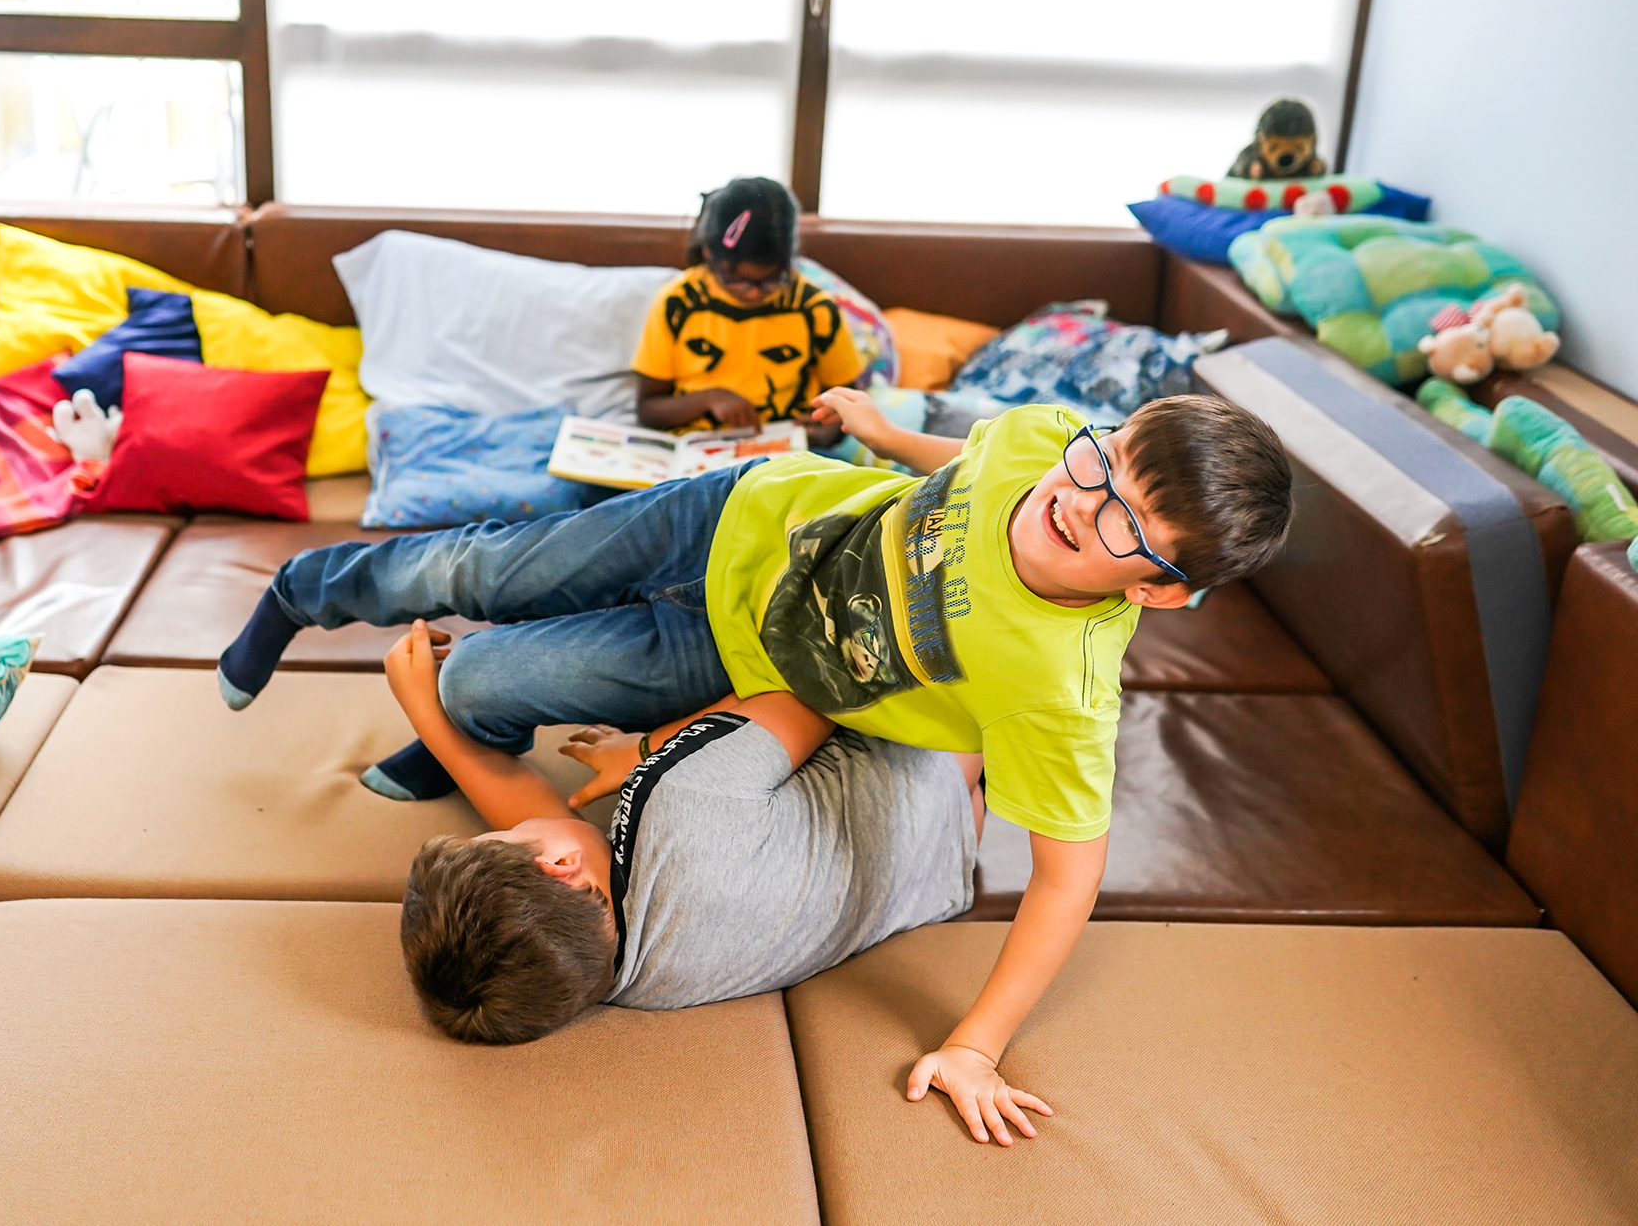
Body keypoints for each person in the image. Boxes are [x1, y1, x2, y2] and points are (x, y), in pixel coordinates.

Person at [218, 391, 1292, 1144]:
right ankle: (334, 610)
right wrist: (886, 434)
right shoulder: (1049, 443)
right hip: (758, 544)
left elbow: (1069, 876)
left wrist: (978, 1043)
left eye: (1123, 522)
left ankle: (363, 640)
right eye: (1100, 461)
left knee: (482, 634)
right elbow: (982, 458)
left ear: (1156, 592)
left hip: (744, 624)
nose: (1079, 498)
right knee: (486, 611)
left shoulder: (1060, 686)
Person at [384, 619, 994, 1057]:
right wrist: (649, 749)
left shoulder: (603, 976)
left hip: (950, 853)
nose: (520, 822)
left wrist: (427, 716)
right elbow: (815, 678)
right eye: (511, 834)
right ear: (562, 867)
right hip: (940, 740)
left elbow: (548, 825)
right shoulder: (677, 799)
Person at [632, 177, 862, 449]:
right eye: (736, 281)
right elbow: (648, 410)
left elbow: (848, 400)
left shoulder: (814, 309)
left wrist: (829, 432)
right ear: (708, 253)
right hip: (696, 455)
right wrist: (710, 398)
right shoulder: (677, 303)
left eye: (772, 280)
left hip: (787, 455)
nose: (753, 293)